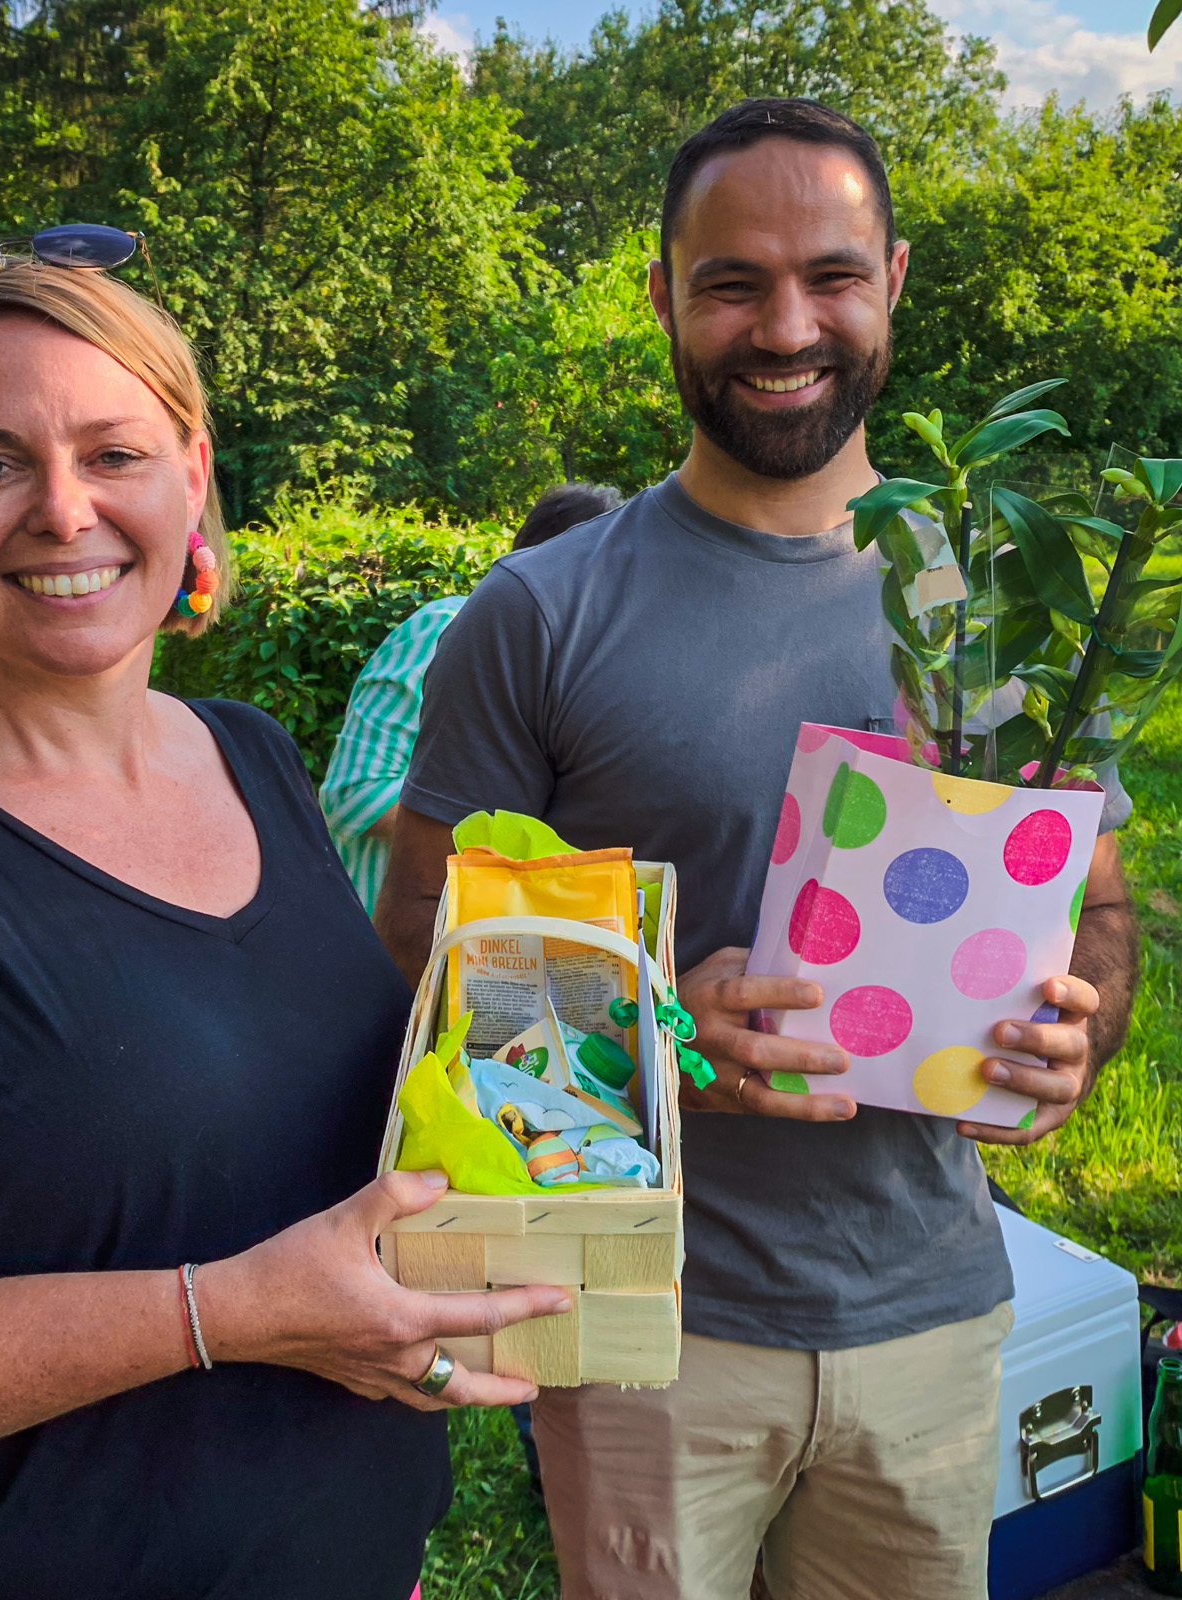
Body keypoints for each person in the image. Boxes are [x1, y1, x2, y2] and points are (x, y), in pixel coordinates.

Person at [0, 259, 571, 1600]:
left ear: (191, 476)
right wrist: (222, 1313)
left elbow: (302, 1124)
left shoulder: (251, 758)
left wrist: (592, 1051)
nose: (63, 512)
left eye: (114, 452)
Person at [375, 98, 1141, 1600]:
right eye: (733, 282)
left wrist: (1084, 1028)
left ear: (895, 282)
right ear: (663, 294)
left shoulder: (1002, 605)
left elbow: (1096, 901)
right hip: (652, 1327)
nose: (786, 325)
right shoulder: (540, 612)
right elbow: (414, 928)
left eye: (831, 276)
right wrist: (651, 1013)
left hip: (933, 1308)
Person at [320, 481, 622, 915]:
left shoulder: (571, 664)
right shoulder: (448, 626)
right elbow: (354, 794)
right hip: (378, 949)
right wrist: (514, 843)